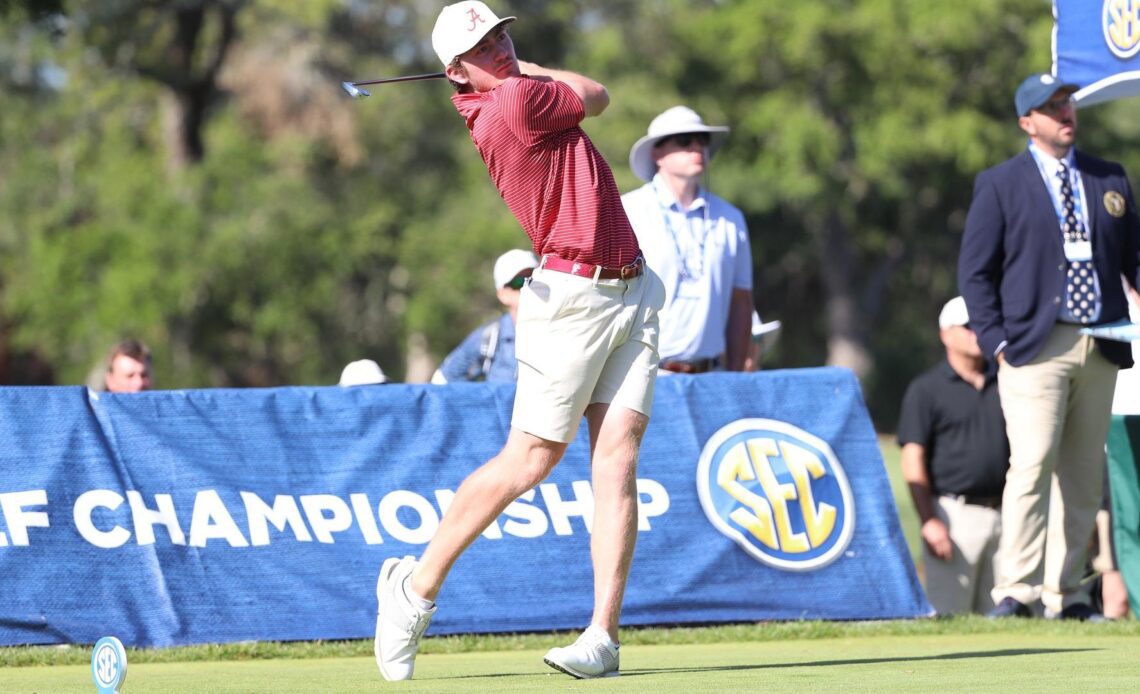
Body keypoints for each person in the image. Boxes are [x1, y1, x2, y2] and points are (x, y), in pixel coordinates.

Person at [373, 1, 663, 681]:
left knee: (617, 463)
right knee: (530, 460)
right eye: (483, 45)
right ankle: (413, 592)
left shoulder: (507, 92)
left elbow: (589, 97)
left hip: (633, 288)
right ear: (457, 72)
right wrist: (522, 73)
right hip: (570, 299)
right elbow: (597, 93)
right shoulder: (511, 106)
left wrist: (508, 71)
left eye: (502, 34)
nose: (501, 47)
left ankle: (602, 637)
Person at [958, 72, 1140, 620]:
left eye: (1067, 103)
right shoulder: (1000, 183)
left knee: (1084, 476)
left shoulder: (1109, 177)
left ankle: (1068, 594)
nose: (1065, 113)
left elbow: (1134, 257)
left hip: (1102, 341)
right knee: (1032, 466)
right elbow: (975, 272)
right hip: (1035, 345)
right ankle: (1016, 590)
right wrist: (995, 342)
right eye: (1051, 107)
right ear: (1026, 122)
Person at [896, 297, 1009, 615]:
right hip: (953, 517)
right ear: (945, 334)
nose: (977, 332)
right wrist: (929, 520)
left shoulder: (1008, 380)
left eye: (983, 325)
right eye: (968, 326)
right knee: (950, 618)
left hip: (1009, 513)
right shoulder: (926, 389)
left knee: (1009, 621)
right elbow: (912, 458)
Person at [622, 106, 753, 374]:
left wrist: (737, 378)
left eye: (702, 140)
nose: (697, 148)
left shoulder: (731, 218)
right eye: (684, 141)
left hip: (713, 374)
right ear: (657, 153)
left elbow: (741, 302)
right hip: (646, 374)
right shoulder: (629, 211)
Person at [430, 249, 537, 383]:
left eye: (535, 280)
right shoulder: (490, 336)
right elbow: (442, 379)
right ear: (502, 294)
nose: (529, 288)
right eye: (520, 282)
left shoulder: (560, 330)